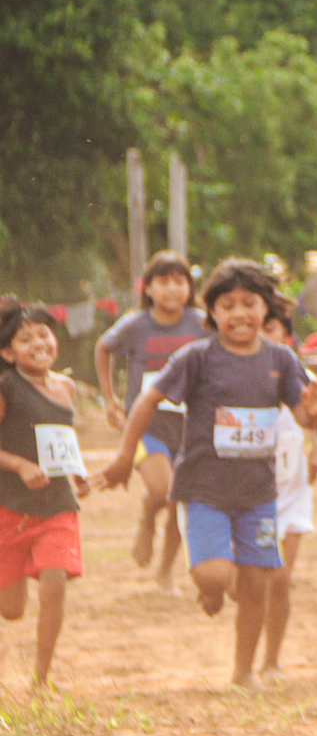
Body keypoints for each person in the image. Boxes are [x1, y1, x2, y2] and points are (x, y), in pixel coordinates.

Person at [94, 260, 317, 692]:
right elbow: (148, 400)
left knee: (256, 586)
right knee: (214, 576)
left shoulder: (281, 359)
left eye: (249, 303)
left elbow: (302, 413)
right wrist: (126, 456)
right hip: (203, 489)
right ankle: (212, 588)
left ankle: (243, 672)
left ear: (265, 308)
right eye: (228, 305)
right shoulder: (198, 357)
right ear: (213, 312)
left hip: (259, 494)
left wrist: (311, 415)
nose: (239, 313)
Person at [95, 251, 205, 590]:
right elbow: (103, 347)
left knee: (181, 500)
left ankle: (166, 570)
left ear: (190, 288)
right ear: (148, 288)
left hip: (190, 428)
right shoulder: (135, 324)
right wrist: (110, 398)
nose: (172, 288)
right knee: (164, 491)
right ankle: (147, 515)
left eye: (180, 281)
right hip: (146, 426)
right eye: (163, 281)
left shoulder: (202, 323)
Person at [0, 304, 92, 689]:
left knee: (55, 584)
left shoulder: (66, 387)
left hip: (57, 504)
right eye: (25, 339)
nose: (38, 343)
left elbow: (61, 439)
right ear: (8, 352)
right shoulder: (6, 387)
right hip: (9, 506)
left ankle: (40, 679)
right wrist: (20, 465)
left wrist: (78, 473)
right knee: (11, 610)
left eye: (44, 334)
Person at [259, 314, 317, 687]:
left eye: (270, 329)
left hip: (290, 493)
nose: (260, 335)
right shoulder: (228, 373)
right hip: (245, 493)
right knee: (246, 583)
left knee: (281, 579)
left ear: (287, 337)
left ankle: (272, 661)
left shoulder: (298, 375)